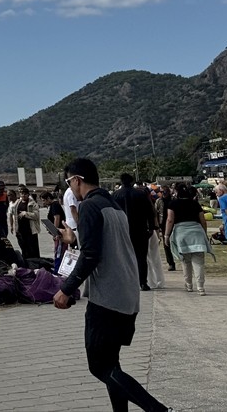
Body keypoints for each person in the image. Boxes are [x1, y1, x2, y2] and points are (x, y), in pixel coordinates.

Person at [52, 158, 173, 412]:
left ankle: (158, 409)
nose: (70, 187)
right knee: (112, 365)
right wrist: (73, 241)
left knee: (100, 367)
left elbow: (91, 256)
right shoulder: (113, 206)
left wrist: (66, 288)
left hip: (107, 298)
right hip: (127, 295)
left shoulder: (89, 206)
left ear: (77, 180)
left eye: (69, 182)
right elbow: (100, 247)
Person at [164, 182, 214, 296]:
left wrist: (167, 235)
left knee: (185, 261)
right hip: (197, 232)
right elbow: (203, 220)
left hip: (181, 233)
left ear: (176, 192)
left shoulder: (173, 204)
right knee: (199, 262)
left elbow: (170, 220)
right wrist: (204, 233)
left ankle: (189, 285)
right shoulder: (195, 203)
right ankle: (200, 287)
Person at [112, 173, 157, 291]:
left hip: (122, 231)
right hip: (140, 229)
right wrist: (152, 227)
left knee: (122, 257)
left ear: (121, 182)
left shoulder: (115, 195)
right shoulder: (141, 194)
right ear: (132, 182)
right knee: (141, 257)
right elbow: (149, 211)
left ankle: (125, 282)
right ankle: (143, 282)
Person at [13, 186, 40, 260]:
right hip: (21, 231)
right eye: (21, 193)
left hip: (30, 231)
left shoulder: (32, 204)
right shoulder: (17, 203)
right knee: (24, 250)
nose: (23, 195)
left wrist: (26, 214)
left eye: (25, 194)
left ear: (28, 194)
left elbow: (36, 216)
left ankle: (35, 264)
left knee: (33, 250)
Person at [155, 186, 176, 272]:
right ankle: (171, 263)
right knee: (166, 244)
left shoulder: (174, 200)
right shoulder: (159, 201)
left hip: (175, 224)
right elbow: (156, 213)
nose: (165, 193)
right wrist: (157, 226)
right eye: (163, 192)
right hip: (163, 224)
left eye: (166, 192)